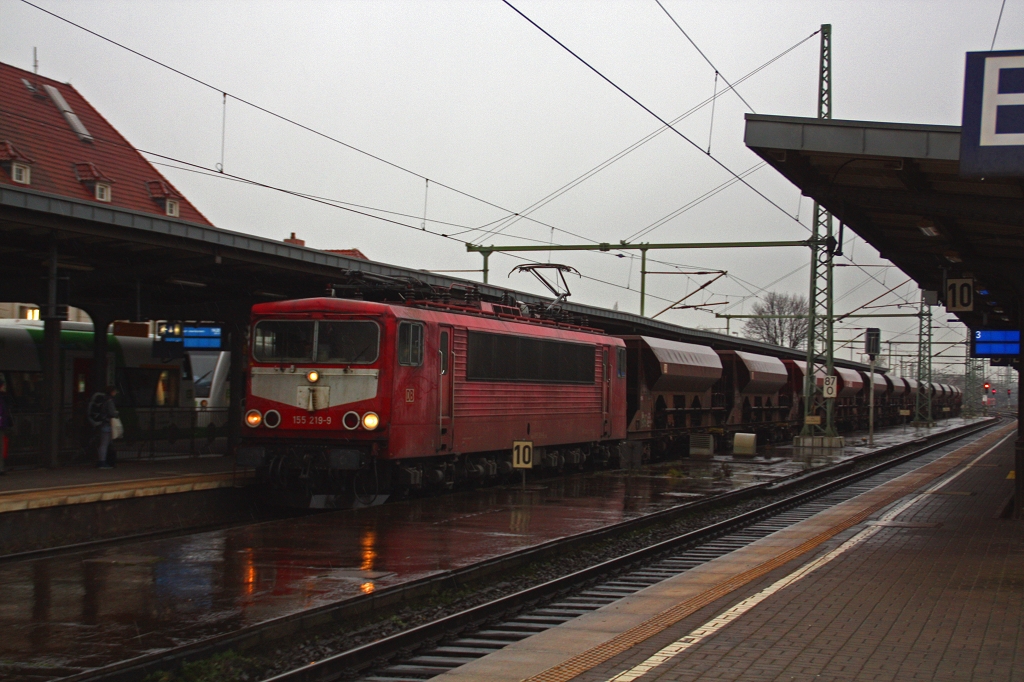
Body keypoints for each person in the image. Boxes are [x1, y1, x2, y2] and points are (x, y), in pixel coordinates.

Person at [89, 386, 119, 469]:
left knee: (104, 443)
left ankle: (103, 461)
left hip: (102, 423)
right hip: (107, 424)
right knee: (105, 444)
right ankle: (102, 462)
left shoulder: (103, 399)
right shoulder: (109, 401)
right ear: (112, 392)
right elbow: (112, 413)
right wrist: (116, 413)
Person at [0, 375, 12, 476]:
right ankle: (1, 467)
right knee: (1, 447)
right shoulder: (2, 398)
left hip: (1, 425)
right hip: (1, 425)